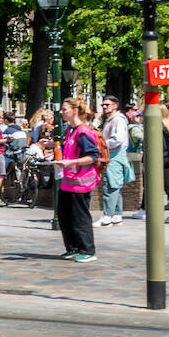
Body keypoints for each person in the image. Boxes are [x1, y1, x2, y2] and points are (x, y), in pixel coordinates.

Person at [52, 98, 102, 262]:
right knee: (65, 216)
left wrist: (71, 162)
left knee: (80, 217)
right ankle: (72, 247)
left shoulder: (84, 132)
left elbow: (92, 156)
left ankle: (87, 250)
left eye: (64, 109)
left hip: (80, 182)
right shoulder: (71, 130)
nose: (61, 112)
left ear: (74, 111)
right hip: (68, 181)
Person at [97, 95, 132, 225]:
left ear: (115, 106)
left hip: (114, 155)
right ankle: (117, 215)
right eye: (103, 105)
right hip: (112, 154)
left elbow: (118, 139)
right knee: (115, 185)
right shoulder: (110, 119)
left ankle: (108, 215)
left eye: (107, 105)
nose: (104, 107)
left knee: (110, 185)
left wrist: (102, 144)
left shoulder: (118, 120)